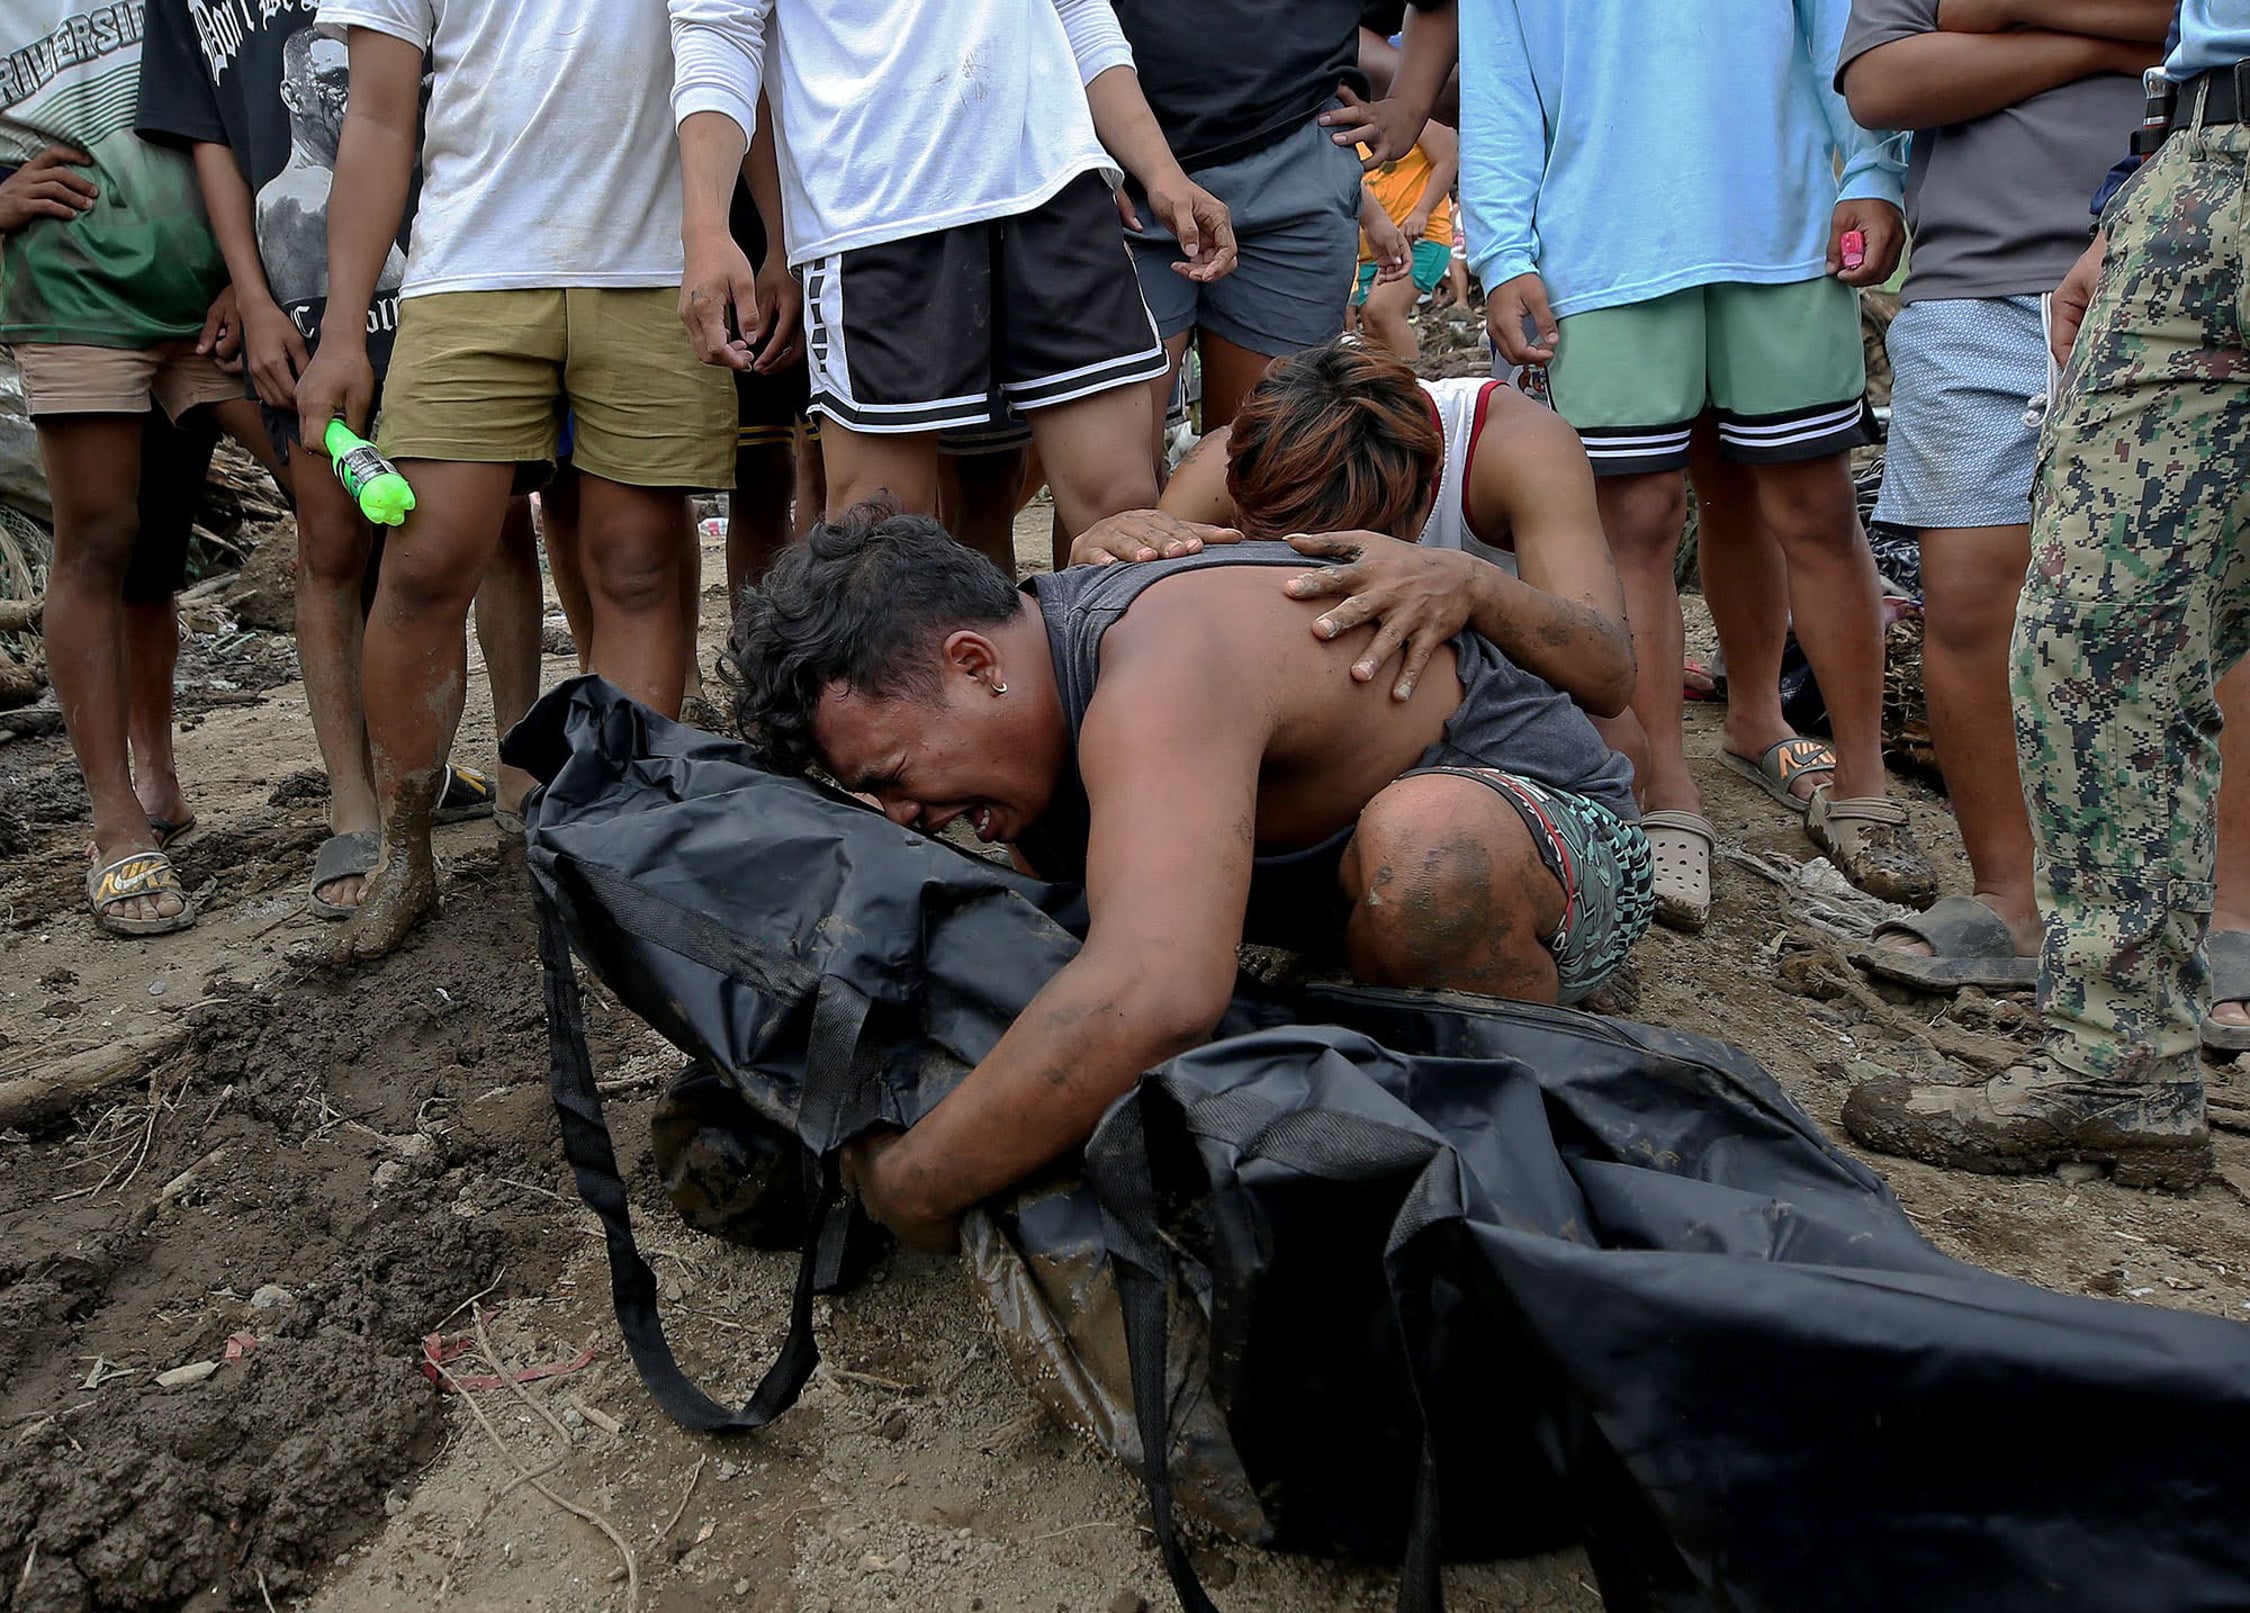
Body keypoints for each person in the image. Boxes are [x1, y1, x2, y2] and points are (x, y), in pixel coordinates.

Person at [724, 502, 1651, 1247]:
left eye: (892, 777)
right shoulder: (1039, 720)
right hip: (1337, 902)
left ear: (974, 662)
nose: (903, 815)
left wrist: (911, 1183)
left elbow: (1158, 995)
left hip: (1561, 842)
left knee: (1430, 855)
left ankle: (1514, 1134)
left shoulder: (1158, 669)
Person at [1410, 0, 1932, 935]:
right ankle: (1662, 787)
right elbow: (1500, 83)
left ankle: (1858, 781)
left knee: (1809, 503)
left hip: (1788, 222)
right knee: (1637, 520)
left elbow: (1835, 30)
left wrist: (1872, 169)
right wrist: (1500, 246)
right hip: (1602, 239)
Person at [1840, 6, 2250, 1190]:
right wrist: (2145, 186)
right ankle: (2121, 1056)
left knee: (2107, 641)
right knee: (2105, 640)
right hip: (2202, 160)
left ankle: (2135, 1041)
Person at [294, 0, 738, 961]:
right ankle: (404, 857)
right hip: (469, 269)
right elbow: (374, 117)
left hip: (656, 262)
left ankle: (624, 859)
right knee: (423, 563)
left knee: (638, 566)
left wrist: (767, 239)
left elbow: (736, 54)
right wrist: (340, 329)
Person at [137, 0, 542, 919]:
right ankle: (353, 802)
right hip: (304, 296)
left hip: (456, 264)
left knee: (497, 524)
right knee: (329, 541)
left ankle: (521, 765)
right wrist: (250, 289)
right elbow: (207, 136)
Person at [1835, 1, 2167, 994]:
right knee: (1974, 600)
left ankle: (2222, 918)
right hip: (1973, 285)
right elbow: (1882, 87)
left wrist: (1996, 12)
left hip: (2179, 264)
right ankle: (2010, 899)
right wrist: (2107, 40)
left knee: (2197, 606)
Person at [670, 0, 1229, 557]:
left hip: (1056, 181)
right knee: (883, 532)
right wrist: (706, 228)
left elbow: (1078, 8)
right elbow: (718, 31)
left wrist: (1160, 170)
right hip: (876, 207)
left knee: (1125, 510)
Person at [0, 2, 271, 937]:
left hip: (207, 295)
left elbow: (246, 97)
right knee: (101, 539)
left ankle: (163, 773)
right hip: (72, 294)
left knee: (181, 543)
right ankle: (117, 822)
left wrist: (252, 267)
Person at [1130, 339, 1634, 722]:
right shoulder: (1230, 461)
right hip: (1306, 705)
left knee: (1618, 741)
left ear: (1427, 491)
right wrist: (1104, 562)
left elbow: (1608, 675)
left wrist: (1474, 585)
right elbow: (1132, 639)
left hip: (1478, 702)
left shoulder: (1513, 446)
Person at [1104, 0, 1370, 458]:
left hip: (1292, 164)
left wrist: (1409, 106)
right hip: (1118, 172)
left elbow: (1436, 14)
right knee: (1113, 490)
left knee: (1264, 463)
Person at [1350, 121, 1457, 361]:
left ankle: (1414, 389)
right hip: (1373, 248)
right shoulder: (1351, 123)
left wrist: (1422, 210)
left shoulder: (1417, 112)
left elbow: (1447, 159)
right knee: (1370, 322)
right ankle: (1391, 391)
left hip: (1419, 235)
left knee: (1383, 310)